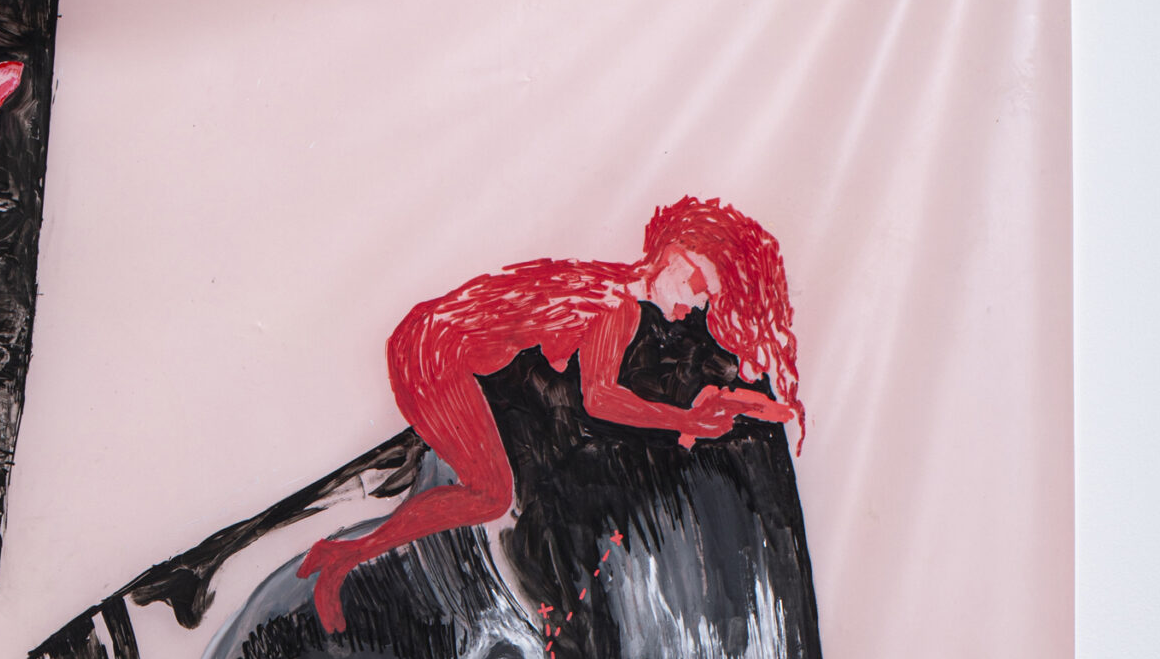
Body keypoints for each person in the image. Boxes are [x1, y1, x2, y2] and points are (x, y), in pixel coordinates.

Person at [298, 194, 803, 634]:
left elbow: (559, 353)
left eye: (706, 298)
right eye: (697, 284)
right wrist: (686, 421)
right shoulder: (619, 305)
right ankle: (345, 555)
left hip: (428, 341)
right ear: (671, 258)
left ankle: (344, 553)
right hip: (432, 352)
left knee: (490, 492)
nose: (696, 304)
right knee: (491, 494)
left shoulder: (606, 286)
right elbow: (599, 398)